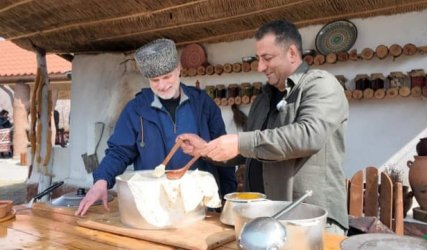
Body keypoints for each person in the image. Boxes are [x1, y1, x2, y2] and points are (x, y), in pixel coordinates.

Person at [178, 20, 349, 235]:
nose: (260, 67)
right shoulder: (263, 97)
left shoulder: (321, 85)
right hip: (266, 221)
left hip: (310, 221)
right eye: (258, 59)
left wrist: (241, 142)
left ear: (292, 53)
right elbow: (249, 151)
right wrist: (205, 149)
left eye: (267, 58)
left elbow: (309, 135)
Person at [75, 38, 237, 216]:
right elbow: (119, 152)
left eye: (167, 77)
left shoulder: (202, 104)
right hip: (153, 206)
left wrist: (228, 196)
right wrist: (102, 180)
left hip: (199, 205)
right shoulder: (136, 109)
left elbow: (222, 152)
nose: (162, 85)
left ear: (178, 69)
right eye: (155, 80)